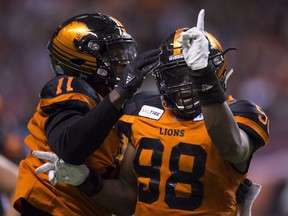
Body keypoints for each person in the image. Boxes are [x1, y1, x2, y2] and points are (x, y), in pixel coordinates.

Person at [33, 9, 269, 215]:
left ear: (211, 71)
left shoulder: (241, 112)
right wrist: (86, 180)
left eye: (193, 73)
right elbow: (127, 201)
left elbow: (232, 148)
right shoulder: (141, 109)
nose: (185, 85)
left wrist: (203, 76)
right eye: (175, 75)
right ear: (160, 77)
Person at [13, 12, 161, 216]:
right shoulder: (67, 87)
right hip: (50, 207)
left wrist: (87, 181)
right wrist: (121, 94)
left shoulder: (121, 105)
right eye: (113, 53)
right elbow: (69, 149)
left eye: (123, 51)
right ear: (81, 58)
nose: (123, 61)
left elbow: (126, 203)